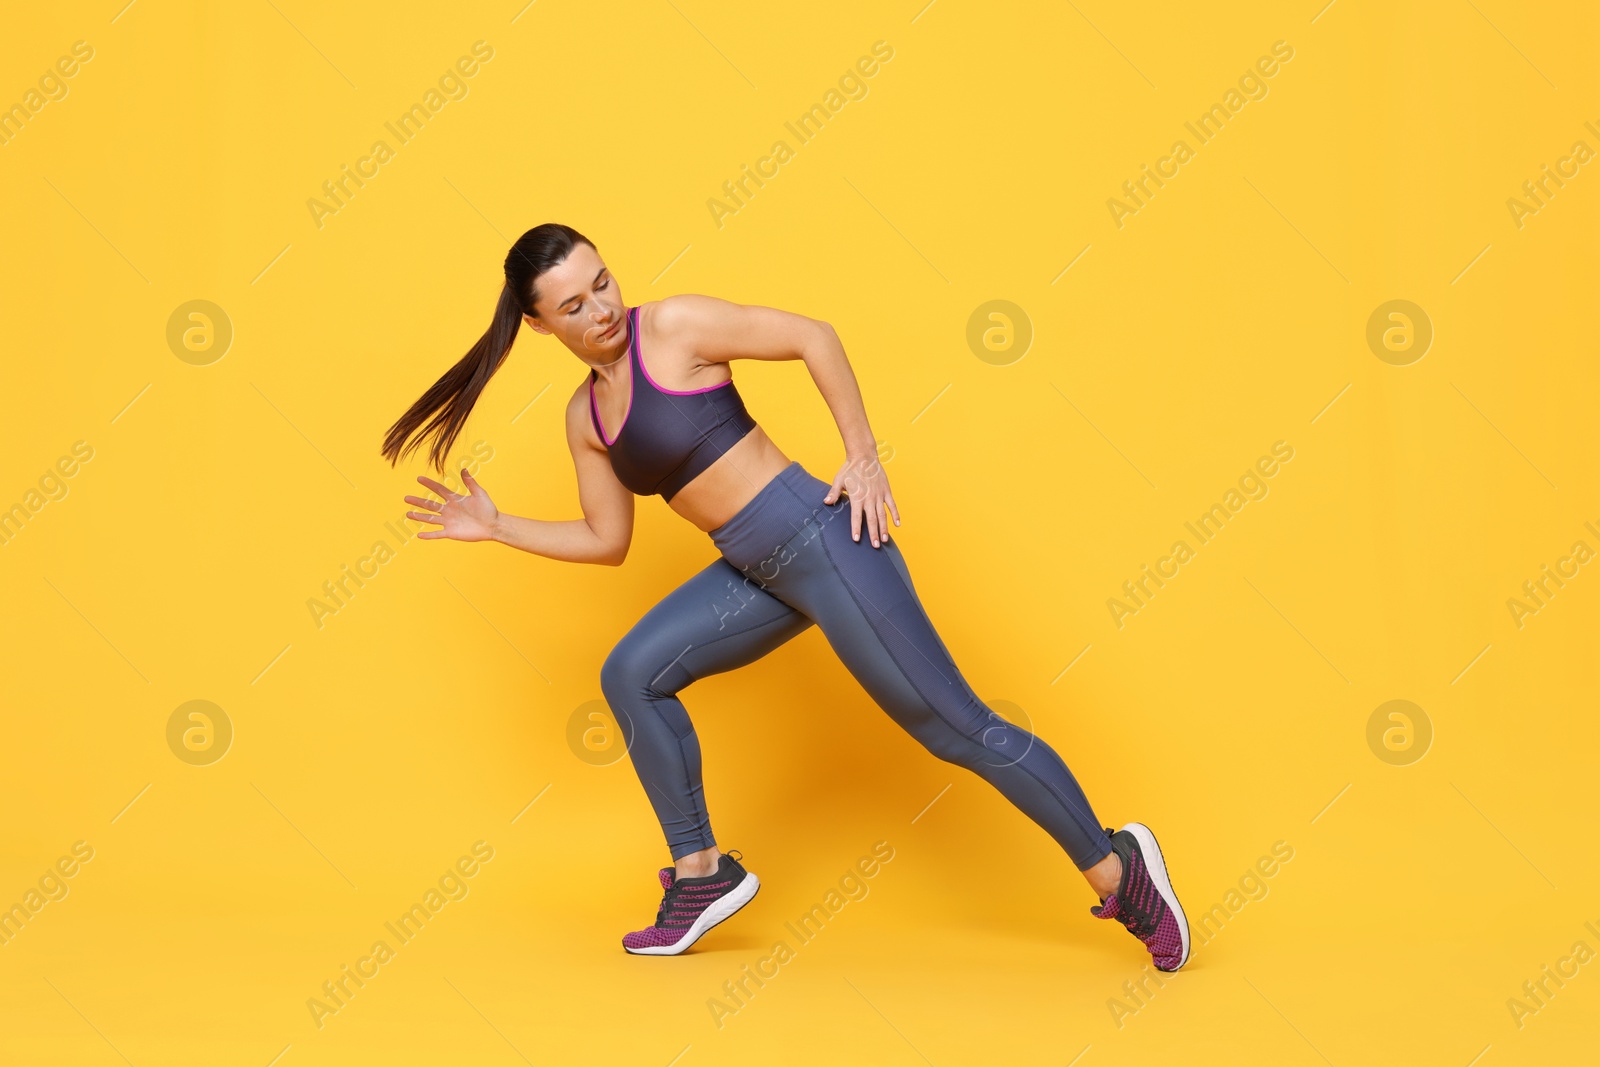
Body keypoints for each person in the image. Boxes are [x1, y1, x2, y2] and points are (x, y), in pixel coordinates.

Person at [380, 223, 1190, 970]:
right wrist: (498, 526)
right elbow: (607, 539)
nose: (602, 308)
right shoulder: (586, 416)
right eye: (574, 304)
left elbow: (813, 337)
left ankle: (1121, 870)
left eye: (603, 282)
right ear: (539, 326)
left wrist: (862, 456)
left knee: (955, 728)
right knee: (631, 672)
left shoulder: (675, 328)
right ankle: (700, 874)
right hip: (752, 572)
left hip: (823, 541)